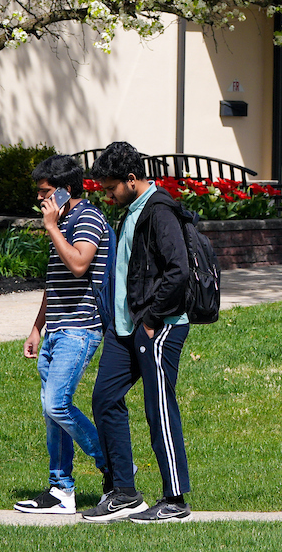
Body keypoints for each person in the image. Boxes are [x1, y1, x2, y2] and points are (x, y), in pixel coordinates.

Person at [80, 141, 195, 524]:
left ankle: (175, 499)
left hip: (157, 327)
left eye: (111, 188)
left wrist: (150, 320)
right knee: (104, 398)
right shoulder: (131, 211)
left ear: (132, 180)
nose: (108, 195)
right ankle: (124, 492)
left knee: (158, 408)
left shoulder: (159, 211)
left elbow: (177, 270)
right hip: (124, 329)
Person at [13, 154, 111, 516]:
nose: (40, 199)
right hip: (55, 329)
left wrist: (52, 228)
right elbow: (55, 282)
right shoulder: (65, 219)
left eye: (45, 192)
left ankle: (115, 467)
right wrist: (37, 327)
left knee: (57, 404)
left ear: (66, 191)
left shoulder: (87, 218)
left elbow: (80, 263)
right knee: (51, 411)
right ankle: (60, 490)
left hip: (80, 328)